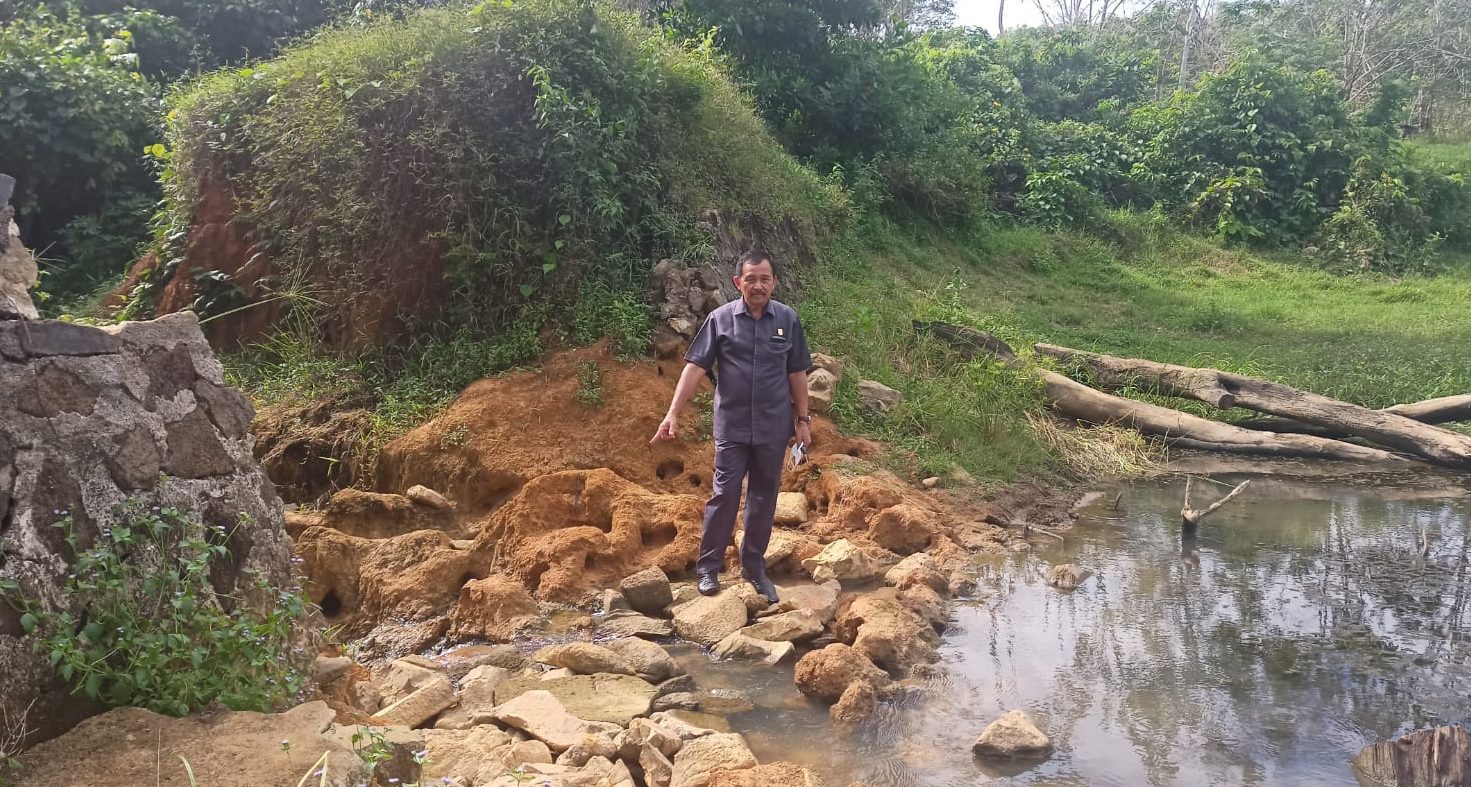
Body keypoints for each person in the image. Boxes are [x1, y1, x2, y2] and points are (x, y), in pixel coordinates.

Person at [650, 249, 812, 603]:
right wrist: (672, 413)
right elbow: (694, 368)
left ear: (774, 283)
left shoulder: (788, 319)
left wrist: (803, 421)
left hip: (773, 427)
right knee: (724, 494)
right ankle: (708, 568)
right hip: (732, 427)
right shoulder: (721, 320)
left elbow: (797, 373)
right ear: (738, 282)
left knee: (763, 498)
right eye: (750, 278)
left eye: (764, 279)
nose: (757, 285)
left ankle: (753, 569)